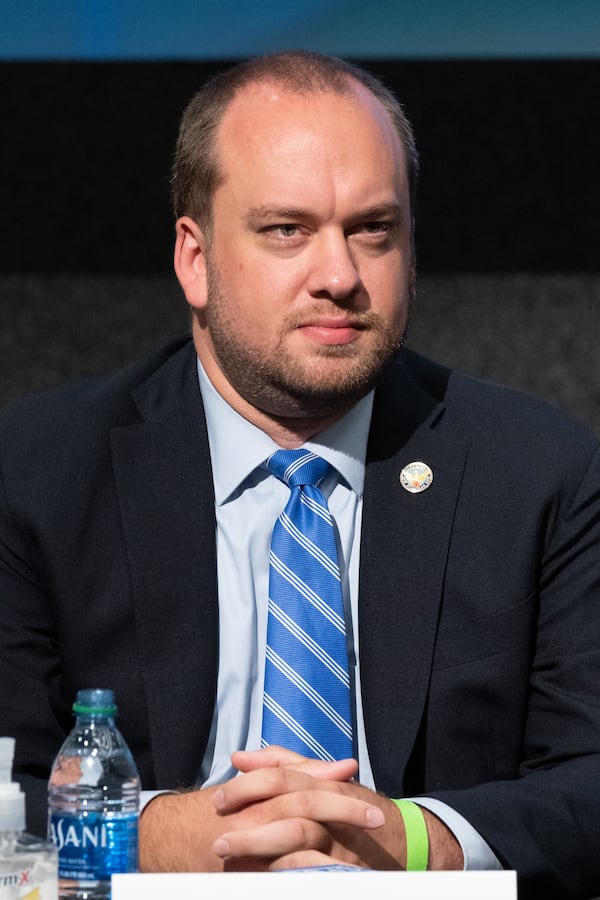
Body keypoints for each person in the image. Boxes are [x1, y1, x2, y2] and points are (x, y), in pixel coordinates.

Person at [1, 50, 600, 899]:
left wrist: (411, 840)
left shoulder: (540, 474)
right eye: (287, 230)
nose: (340, 276)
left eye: (374, 230)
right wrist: (157, 837)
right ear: (194, 258)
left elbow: (590, 784)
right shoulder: (34, 474)